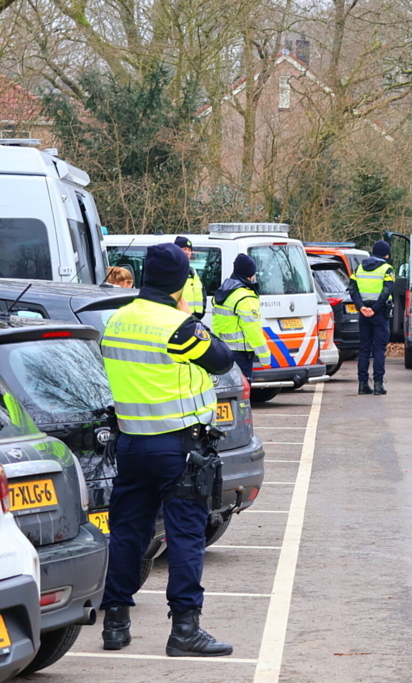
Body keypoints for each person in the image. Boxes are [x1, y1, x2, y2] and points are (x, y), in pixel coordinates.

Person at [99, 243, 235, 657]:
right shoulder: (178, 327)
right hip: (179, 449)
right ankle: (185, 630)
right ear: (180, 282)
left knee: (127, 532)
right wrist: (192, 317)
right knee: (186, 536)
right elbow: (222, 360)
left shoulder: (116, 321)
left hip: (132, 445)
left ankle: (116, 624)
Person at [212, 254, 271, 381]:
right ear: (250, 275)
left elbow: (216, 323)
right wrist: (265, 357)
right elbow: (253, 330)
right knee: (243, 393)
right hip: (241, 354)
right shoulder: (246, 297)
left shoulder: (224, 291)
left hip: (223, 351)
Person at [349, 240, 396, 396]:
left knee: (364, 349)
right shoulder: (387, 269)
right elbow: (386, 291)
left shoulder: (359, 268)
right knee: (379, 350)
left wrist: (361, 307)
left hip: (363, 313)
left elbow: (353, 289)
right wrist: (374, 309)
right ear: (387, 254)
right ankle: (378, 385)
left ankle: (362, 385)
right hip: (379, 313)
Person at [175, 236, 206, 319]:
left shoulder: (192, 270)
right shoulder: (173, 269)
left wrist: (201, 310)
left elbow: (201, 290)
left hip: (194, 316)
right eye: (184, 249)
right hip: (180, 316)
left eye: (189, 250)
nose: (187, 252)